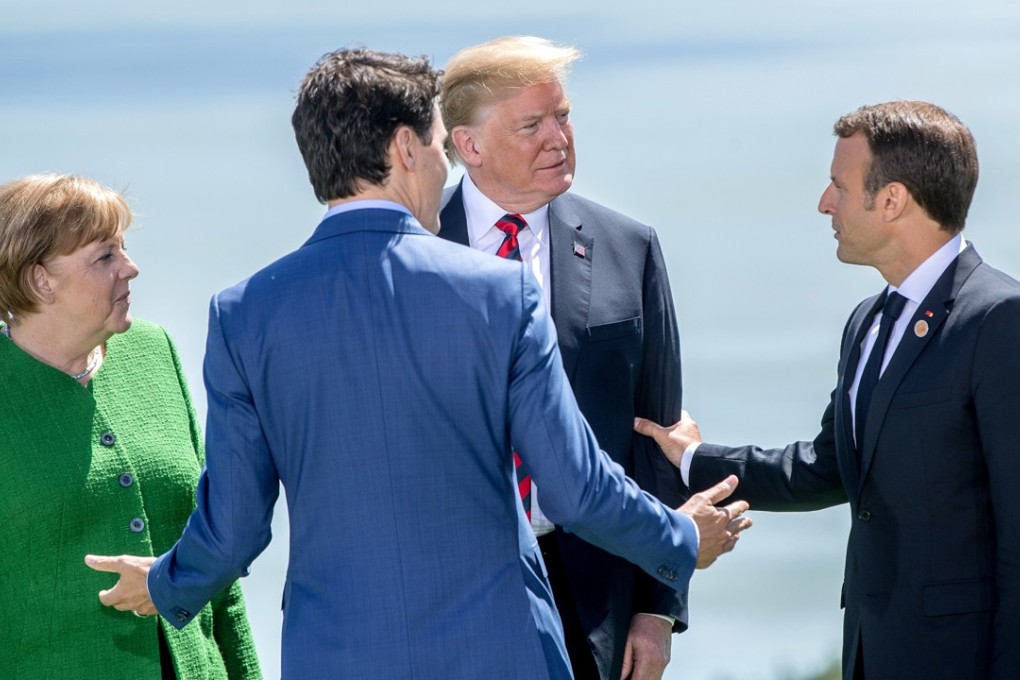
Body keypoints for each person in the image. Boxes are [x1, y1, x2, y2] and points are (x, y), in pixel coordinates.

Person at [84, 48, 751, 680]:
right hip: (501, 649)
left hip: (336, 655)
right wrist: (681, 536)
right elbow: (577, 489)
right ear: (405, 148)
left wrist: (167, 582)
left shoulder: (243, 313)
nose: (444, 166)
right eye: (436, 145)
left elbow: (233, 529)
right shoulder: (502, 293)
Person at [636, 100, 1020, 680]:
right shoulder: (867, 321)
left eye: (839, 185)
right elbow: (828, 467)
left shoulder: (1000, 319)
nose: (824, 203)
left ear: (892, 200)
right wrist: (692, 458)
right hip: (870, 651)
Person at [438, 36, 687, 680]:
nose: (559, 138)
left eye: (564, 116)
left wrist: (658, 611)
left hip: (598, 600)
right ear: (470, 145)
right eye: (532, 125)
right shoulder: (416, 250)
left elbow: (657, 436)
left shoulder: (629, 247)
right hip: (455, 596)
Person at [0, 173, 261, 679]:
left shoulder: (153, 352)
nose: (131, 268)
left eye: (124, 250)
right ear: (40, 279)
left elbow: (210, 541)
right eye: (105, 257)